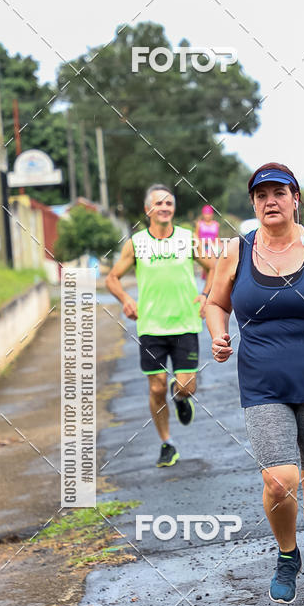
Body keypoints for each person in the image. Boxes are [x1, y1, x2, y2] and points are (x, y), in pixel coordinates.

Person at [206, 163, 304, 605]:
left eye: (279, 193)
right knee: (280, 480)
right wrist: (218, 335)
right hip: (263, 384)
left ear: (296, 198)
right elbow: (215, 303)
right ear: (253, 203)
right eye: (261, 195)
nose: (270, 201)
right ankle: (286, 554)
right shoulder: (236, 250)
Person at [106, 184, 215, 467]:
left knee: (186, 387)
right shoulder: (136, 243)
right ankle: (167, 443)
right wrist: (126, 300)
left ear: (173, 209)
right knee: (156, 389)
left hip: (185, 323)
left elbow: (214, 267)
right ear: (148, 210)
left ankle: (180, 398)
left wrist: (205, 295)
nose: (164, 207)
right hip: (151, 327)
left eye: (169, 203)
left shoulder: (187, 239)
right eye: (159, 203)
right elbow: (112, 279)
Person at [196, 204, 220, 279]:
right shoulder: (199, 224)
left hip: (212, 248)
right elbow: (196, 237)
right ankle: (205, 282)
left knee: (213, 265)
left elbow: (216, 237)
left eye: (209, 214)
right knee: (205, 267)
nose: (207, 216)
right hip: (202, 247)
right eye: (206, 214)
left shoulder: (216, 224)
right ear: (203, 214)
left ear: (212, 214)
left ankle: (212, 282)